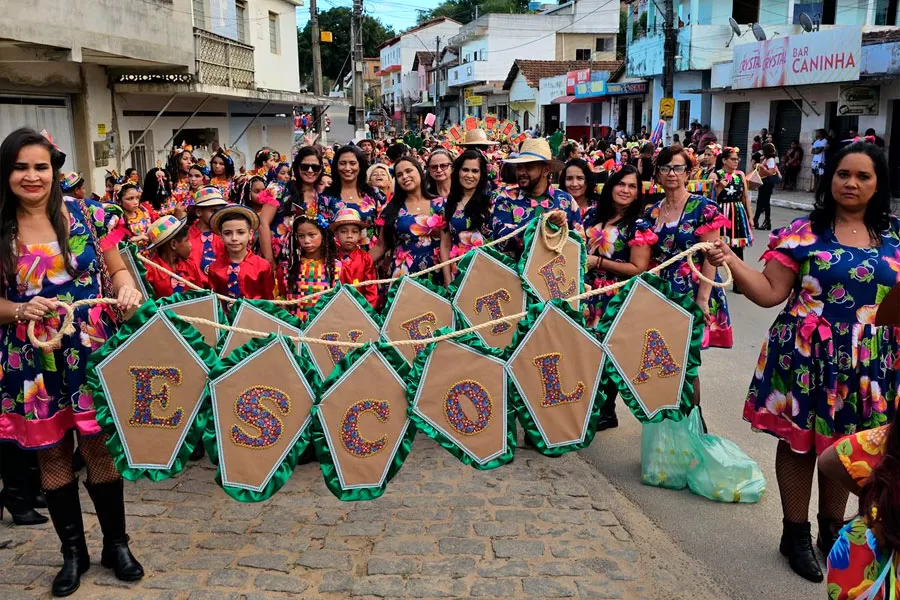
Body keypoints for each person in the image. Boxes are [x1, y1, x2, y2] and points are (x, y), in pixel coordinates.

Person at [706, 142, 900, 583]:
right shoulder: (803, 233)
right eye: (842, 174)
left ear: (878, 184)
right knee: (799, 443)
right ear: (829, 180)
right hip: (805, 356)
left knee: (847, 442)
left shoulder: (895, 238)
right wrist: (731, 260)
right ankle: (794, 533)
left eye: (863, 176)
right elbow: (769, 292)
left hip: (871, 363)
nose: (850, 183)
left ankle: (832, 530)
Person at [0, 127, 145, 596]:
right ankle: (72, 553)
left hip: (91, 350)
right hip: (33, 361)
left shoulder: (89, 214)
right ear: (6, 173)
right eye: (20, 167)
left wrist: (125, 288)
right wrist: (19, 309)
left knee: (100, 451)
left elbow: (118, 267)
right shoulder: (0, 229)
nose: (31, 176)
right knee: (54, 456)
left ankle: (116, 545)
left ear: (55, 169)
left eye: (40, 166)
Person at [583, 165, 656, 429]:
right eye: (621, 184)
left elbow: (638, 269)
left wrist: (599, 262)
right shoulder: (593, 215)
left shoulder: (639, 225)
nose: (625, 190)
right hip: (588, 293)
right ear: (611, 186)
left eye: (632, 186)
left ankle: (607, 409)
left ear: (638, 193)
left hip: (616, 296)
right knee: (587, 351)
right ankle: (590, 405)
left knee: (608, 353)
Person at [644, 144, 732, 351]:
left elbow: (710, 255)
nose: (672, 174)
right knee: (665, 361)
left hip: (693, 289)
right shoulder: (653, 211)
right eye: (665, 168)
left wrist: (702, 299)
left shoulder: (704, 208)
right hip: (661, 291)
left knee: (688, 363)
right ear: (657, 174)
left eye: (678, 168)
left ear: (688, 173)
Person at [491, 138, 583, 260]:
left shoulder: (565, 200)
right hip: (514, 276)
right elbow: (500, 240)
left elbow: (580, 243)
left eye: (529, 167)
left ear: (546, 170)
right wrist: (543, 224)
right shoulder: (505, 199)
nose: (521, 172)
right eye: (519, 167)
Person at [370, 156, 445, 279]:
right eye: (399, 175)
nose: (404, 176)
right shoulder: (391, 209)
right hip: (404, 274)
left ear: (420, 171)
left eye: (409, 171)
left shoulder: (442, 204)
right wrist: (354, 266)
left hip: (438, 271)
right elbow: (380, 246)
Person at [440, 150, 493, 283]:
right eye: (465, 170)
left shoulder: (493, 202)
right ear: (458, 171)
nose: (469, 175)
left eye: (475, 171)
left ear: (481, 174)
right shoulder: (448, 205)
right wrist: (448, 280)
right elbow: (445, 245)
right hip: (458, 272)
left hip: (488, 271)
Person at [708, 146, 753, 294]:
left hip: (737, 213)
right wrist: (720, 187)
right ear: (724, 160)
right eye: (733, 159)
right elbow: (710, 199)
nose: (736, 162)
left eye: (737, 159)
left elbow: (745, 197)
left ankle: (738, 282)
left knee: (738, 249)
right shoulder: (715, 175)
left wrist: (750, 217)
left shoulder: (740, 175)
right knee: (718, 247)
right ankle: (713, 280)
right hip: (722, 214)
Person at [320, 145, 381, 250]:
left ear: (360, 166)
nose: (347, 168)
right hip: (336, 262)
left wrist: (367, 262)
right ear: (336, 166)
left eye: (352, 163)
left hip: (370, 259)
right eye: (342, 163)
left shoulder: (375, 194)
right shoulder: (325, 198)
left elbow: (383, 234)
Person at [208, 205, 274, 300]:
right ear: (221, 236)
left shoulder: (263, 266)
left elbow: (269, 301)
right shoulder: (214, 268)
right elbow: (213, 301)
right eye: (227, 233)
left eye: (240, 232)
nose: (234, 238)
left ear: (250, 234)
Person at [281, 212, 340, 321]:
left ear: (323, 234)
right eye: (301, 236)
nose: (306, 241)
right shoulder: (290, 267)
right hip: (295, 324)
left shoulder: (337, 267)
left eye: (312, 235)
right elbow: (283, 299)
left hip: (325, 324)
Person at [143, 215, 208, 298]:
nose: (190, 245)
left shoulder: (190, 265)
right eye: (187, 240)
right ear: (174, 244)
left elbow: (200, 296)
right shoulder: (150, 272)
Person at [332, 208, 377, 308]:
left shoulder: (365, 258)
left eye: (354, 232)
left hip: (360, 307)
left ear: (360, 235)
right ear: (336, 235)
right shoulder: (331, 258)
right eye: (343, 232)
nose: (349, 236)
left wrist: (368, 311)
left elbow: (371, 289)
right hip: (336, 307)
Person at [188, 186, 228, 275]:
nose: (218, 214)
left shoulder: (226, 235)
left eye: (221, 210)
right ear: (199, 212)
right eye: (213, 210)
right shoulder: (186, 237)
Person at [114, 182, 154, 250]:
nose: (135, 202)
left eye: (137, 198)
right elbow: (117, 244)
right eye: (130, 198)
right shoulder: (117, 219)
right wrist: (136, 238)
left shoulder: (144, 212)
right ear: (119, 201)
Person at [754, 142, 780, 230]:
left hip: (767, 183)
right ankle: (756, 220)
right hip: (764, 182)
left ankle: (766, 222)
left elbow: (771, 172)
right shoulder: (766, 158)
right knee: (761, 202)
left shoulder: (771, 160)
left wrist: (763, 168)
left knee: (765, 202)